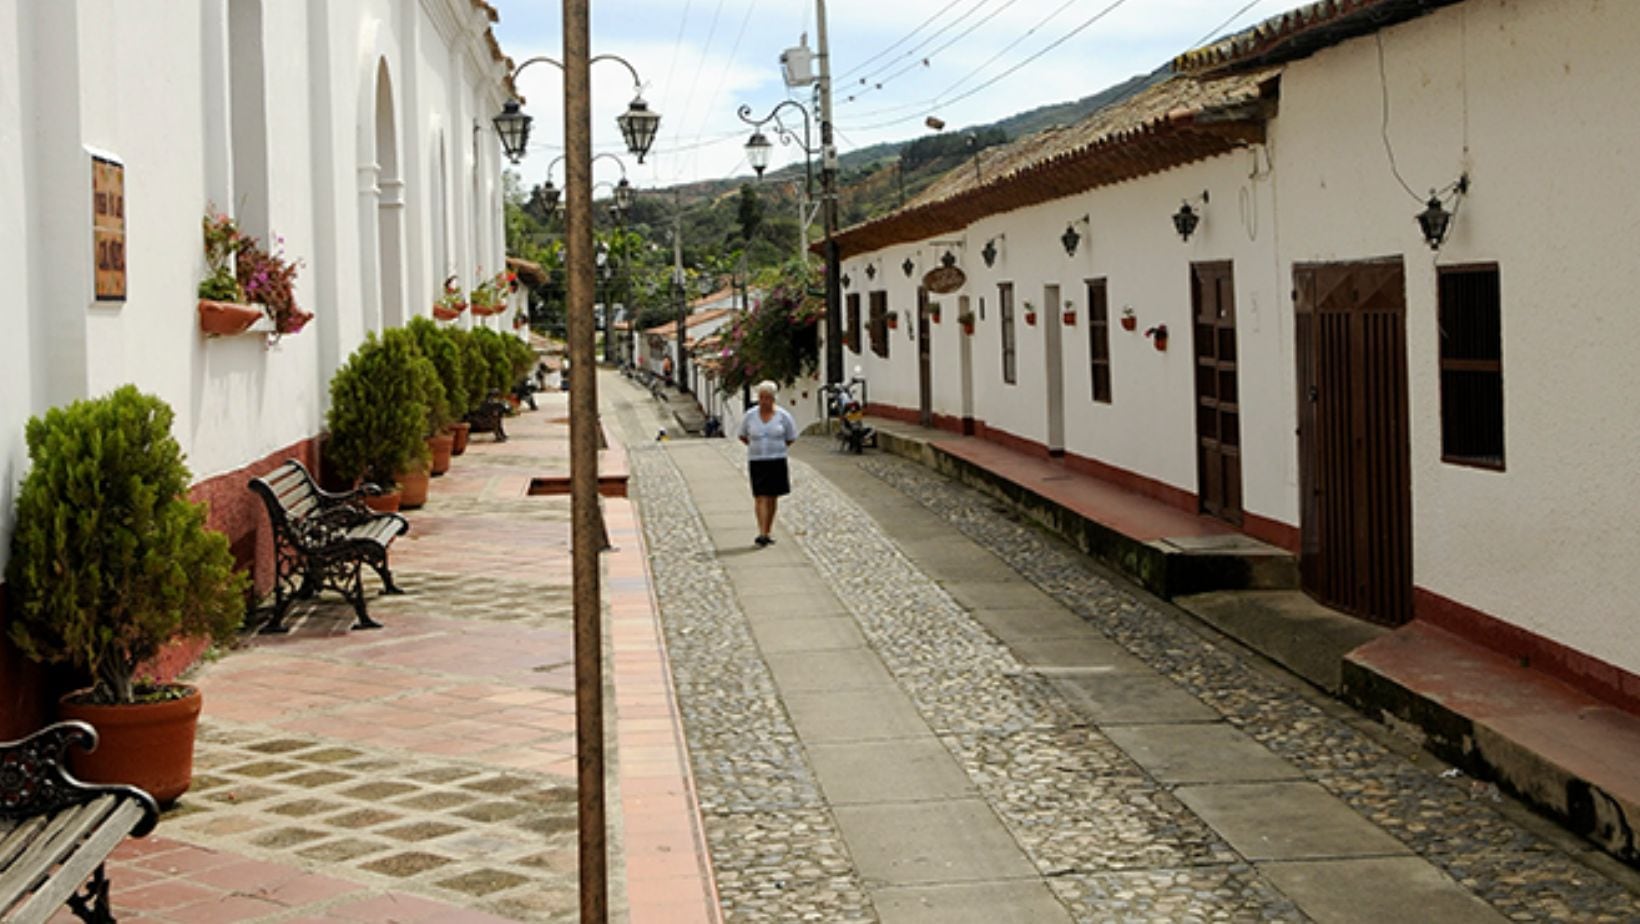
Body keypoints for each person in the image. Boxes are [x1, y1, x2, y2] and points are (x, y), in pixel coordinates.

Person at [737, 380, 798, 547]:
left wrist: (776, 448)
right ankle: (762, 533)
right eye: (761, 397)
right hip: (757, 461)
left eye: (767, 398)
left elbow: (791, 437)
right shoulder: (750, 416)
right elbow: (742, 435)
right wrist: (755, 446)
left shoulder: (783, 416)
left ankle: (768, 529)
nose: (764, 401)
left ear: (773, 398)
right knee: (760, 496)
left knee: (772, 497)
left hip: (777, 460)